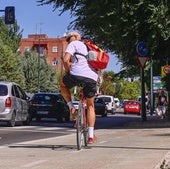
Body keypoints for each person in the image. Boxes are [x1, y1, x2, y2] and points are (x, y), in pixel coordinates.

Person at [59, 31, 98, 144]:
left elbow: (66, 60)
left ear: (76, 37)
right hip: (91, 77)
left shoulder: (74, 44)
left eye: (70, 38)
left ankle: (71, 106)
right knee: (91, 106)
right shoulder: (90, 47)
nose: (69, 41)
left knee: (62, 84)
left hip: (76, 74)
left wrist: (68, 71)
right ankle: (91, 136)